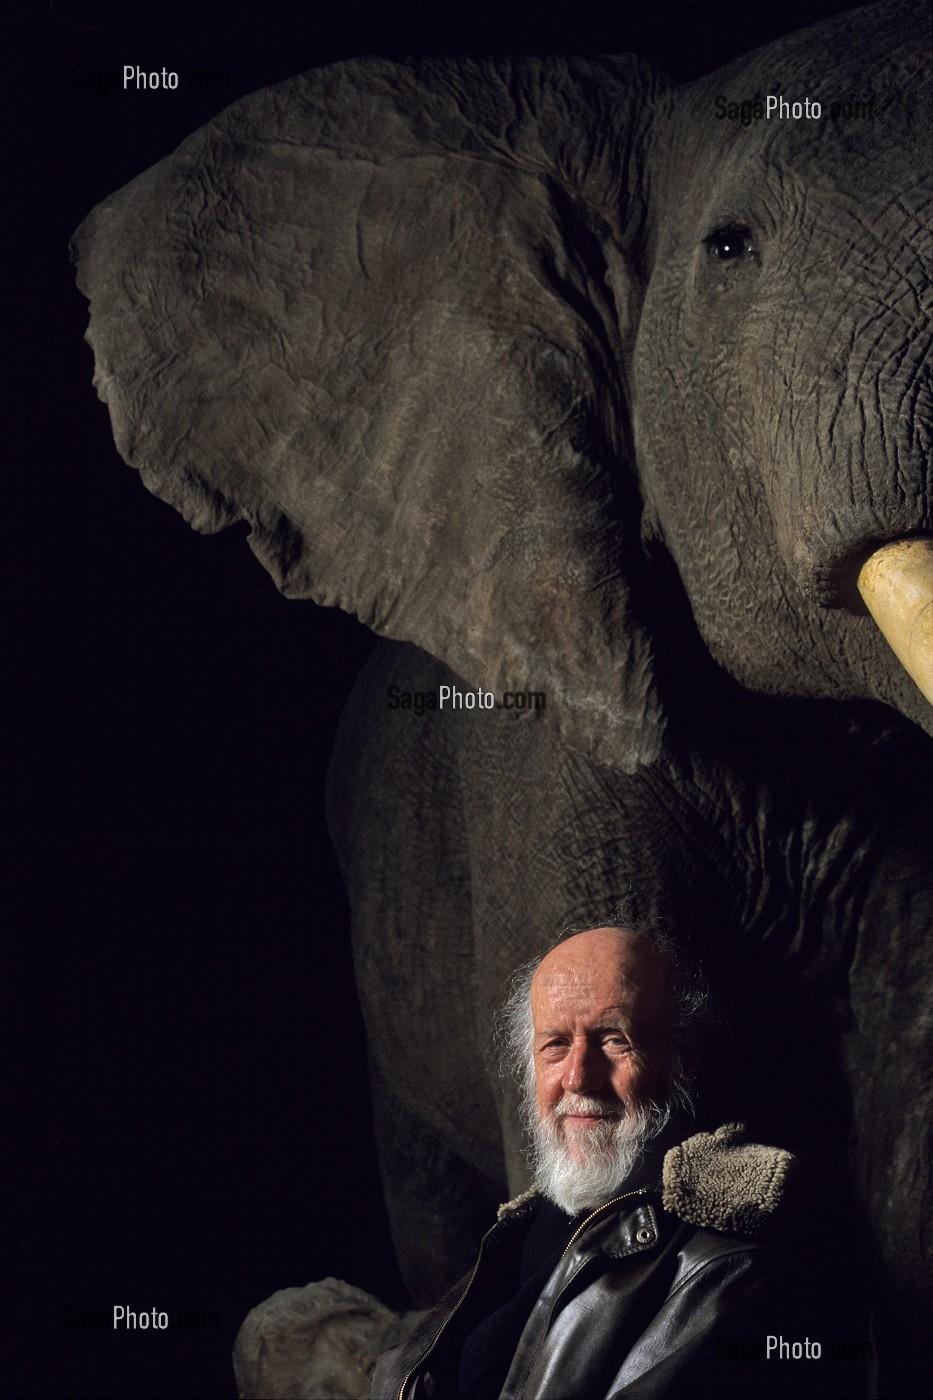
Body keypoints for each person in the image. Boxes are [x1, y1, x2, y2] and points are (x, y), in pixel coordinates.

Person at [372, 921, 870, 1399]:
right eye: (556, 1044)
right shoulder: (527, 1229)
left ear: (682, 1060)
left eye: (614, 1039)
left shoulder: (730, 1267)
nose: (578, 1077)